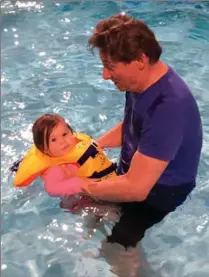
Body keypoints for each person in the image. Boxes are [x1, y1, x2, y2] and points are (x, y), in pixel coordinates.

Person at [62, 13, 203, 248]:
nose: (105, 75)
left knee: (114, 250)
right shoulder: (139, 82)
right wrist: (91, 148)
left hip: (158, 193)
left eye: (109, 67)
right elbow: (133, 126)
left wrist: (78, 184)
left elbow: (136, 189)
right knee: (76, 206)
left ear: (140, 61)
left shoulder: (168, 107)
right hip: (133, 174)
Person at [10, 113, 118, 212]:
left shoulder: (80, 147)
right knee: (107, 214)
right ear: (45, 150)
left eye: (64, 134)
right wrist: (79, 183)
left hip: (101, 181)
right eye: (53, 140)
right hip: (79, 200)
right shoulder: (56, 167)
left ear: (72, 133)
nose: (62, 141)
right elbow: (52, 188)